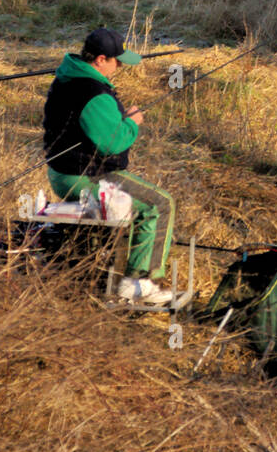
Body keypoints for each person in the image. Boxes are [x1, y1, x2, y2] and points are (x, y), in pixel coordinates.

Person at [42, 28, 177, 305]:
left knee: (145, 203)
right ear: (101, 59)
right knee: (159, 205)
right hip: (84, 175)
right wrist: (132, 122)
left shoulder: (68, 76)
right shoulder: (93, 92)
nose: (120, 66)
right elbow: (112, 143)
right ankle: (139, 282)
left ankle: (126, 273)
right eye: (117, 61)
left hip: (62, 172)